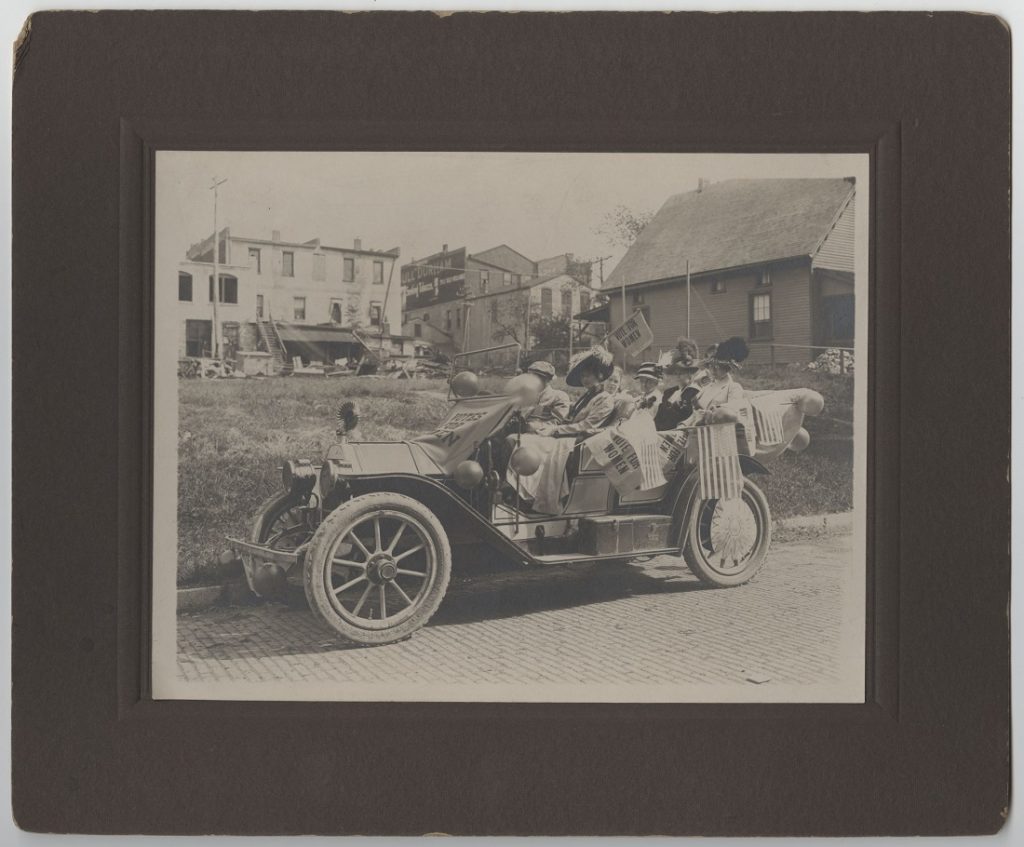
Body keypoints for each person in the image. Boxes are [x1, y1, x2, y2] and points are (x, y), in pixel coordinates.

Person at [508, 346, 617, 513]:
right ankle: (518, 491)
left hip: (579, 440)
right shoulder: (587, 397)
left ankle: (525, 495)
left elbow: (586, 426)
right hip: (569, 436)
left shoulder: (605, 399)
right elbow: (569, 419)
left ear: (599, 376)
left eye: (587, 375)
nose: (584, 379)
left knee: (524, 443)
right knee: (520, 439)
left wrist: (554, 431)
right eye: (582, 376)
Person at [678, 336, 749, 427]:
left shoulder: (733, 388)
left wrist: (701, 410)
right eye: (711, 366)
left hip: (712, 430)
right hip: (690, 424)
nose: (713, 370)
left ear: (727, 368)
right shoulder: (706, 383)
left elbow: (730, 416)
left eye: (717, 367)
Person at [522, 360, 570, 425]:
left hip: (543, 433)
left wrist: (530, 426)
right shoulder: (525, 396)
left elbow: (558, 421)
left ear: (547, 379)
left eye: (537, 377)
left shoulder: (558, 396)